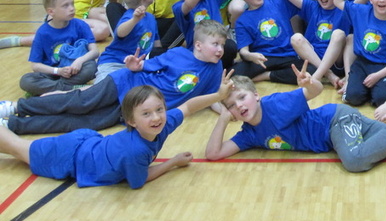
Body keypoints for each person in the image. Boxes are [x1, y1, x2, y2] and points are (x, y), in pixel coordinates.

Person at [205, 66, 386, 172]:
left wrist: (309, 84)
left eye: (241, 98)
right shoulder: (249, 134)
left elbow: (315, 92)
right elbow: (214, 154)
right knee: (382, 141)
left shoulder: (275, 105)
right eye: (232, 106)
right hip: (339, 130)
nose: (239, 106)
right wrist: (223, 117)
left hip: (336, 123)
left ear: (256, 95)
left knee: (354, 161)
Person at [0, 19, 228, 135]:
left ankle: (13, 125)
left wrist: (227, 111)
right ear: (198, 45)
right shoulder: (178, 54)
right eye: (215, 44)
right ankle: (15, 107)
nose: (220, 50)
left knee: (82, 123)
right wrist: (135, 65)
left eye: (222, 45)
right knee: (78, 102)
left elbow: (212, 98)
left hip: (134, 108)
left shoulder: (215, 69)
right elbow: (144, 66)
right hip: (123, 83)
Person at [0, 77, 233, 189]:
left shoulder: (163, 122)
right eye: (146, 114)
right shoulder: (135, 150)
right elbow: (139, 181)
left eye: (160, 110)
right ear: (131, 121)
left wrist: (218, 96)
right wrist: (173, 162)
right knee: (15, 147)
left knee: (15, 146)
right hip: (70, 156)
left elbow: (188, 107)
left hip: (85, 142)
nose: (156, 117)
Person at [16, 0, 98, 96]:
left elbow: (95, 51)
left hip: (75, 71)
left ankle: (54, 89)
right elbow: (35, 66)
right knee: (26, 80)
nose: (72, 8)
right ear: (51, 11)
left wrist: (79, 61)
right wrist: (58, 71)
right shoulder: (42, 32)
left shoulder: (81, 25)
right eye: (65, 6)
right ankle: (70, 88)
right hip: (52, 73)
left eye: (72, 4)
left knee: (91, 66)